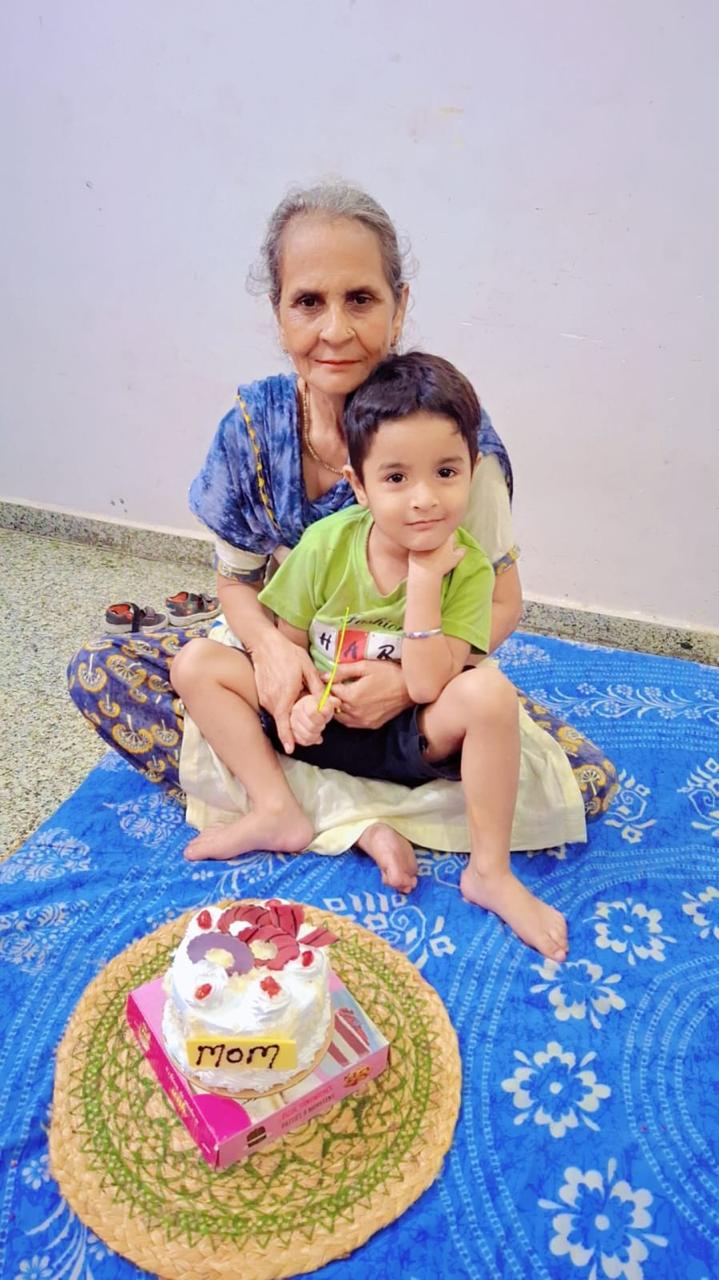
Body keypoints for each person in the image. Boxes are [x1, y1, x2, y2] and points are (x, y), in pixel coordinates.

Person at [67, 181, 617, 879]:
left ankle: (326, 804)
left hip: (417, 668)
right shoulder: (251, 431)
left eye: (360, 299)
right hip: (302, 666)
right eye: (308, 302)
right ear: (278, 313)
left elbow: (501, 601)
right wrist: (271, 650)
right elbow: (236, 584)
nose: (334, 330)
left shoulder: (452, 449)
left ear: (398, 306)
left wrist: (406, 681)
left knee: (581, 780)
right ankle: (345, 817)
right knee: (103, 670)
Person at [171, 352, 567, 962]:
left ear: (472, 470)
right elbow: (289, 643)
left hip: (409, 737)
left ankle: (489, 872)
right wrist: (299, 708)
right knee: (196, 663)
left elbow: (430, 684)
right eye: (396, 478)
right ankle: (278, 808)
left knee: (491, 694)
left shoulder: (464, 566)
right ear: (358, 486)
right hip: (321, 726)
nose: (424, 499)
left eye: (446, 472)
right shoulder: (326, 544)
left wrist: (425, 581)